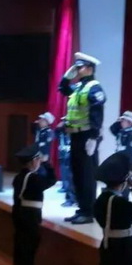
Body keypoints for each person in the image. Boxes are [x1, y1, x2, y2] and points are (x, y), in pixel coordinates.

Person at [58, 52, 105, 225]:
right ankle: (82, 209)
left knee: (87, 176)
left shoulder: (94, 87)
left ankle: (89, 211)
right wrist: (66, 77)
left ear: (90, 69)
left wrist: (94, 137)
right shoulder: (79, 86)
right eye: (76, 67)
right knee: (77, 174)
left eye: (80, 67)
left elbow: (97, 113)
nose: (77, 70)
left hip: (87, 137)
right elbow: (63, 90)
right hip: (75, 136)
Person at [11, 143, 57, 265]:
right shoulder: (33, 178)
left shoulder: (18, 177)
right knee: (29, 247)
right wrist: (48, 164)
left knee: (20, 246)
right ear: (32, 162)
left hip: (19, 212)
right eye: (37, 160)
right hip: (30, 215)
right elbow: (52, 180)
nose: (39, 162)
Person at [55, 118, 76, 208]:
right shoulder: (62, 133)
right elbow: (55, 134)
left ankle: (73, 199)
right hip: (65, 156)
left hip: (73, 157)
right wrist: (58, 127)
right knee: (67, 177)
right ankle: (70, 198)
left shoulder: (75, 135)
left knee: (72, 179)